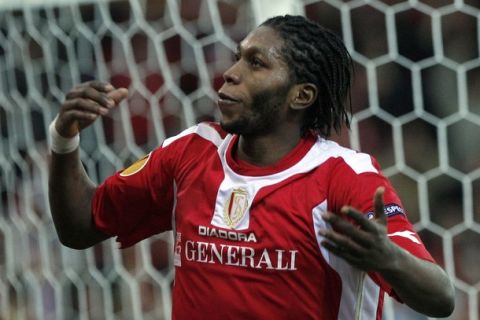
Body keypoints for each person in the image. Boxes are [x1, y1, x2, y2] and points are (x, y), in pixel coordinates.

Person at [48, 15, 454, 319]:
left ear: (301, 95)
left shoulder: (343, 176)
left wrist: (387, 257)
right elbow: (80, 226)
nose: (231, 73)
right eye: (237, 57)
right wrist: (64, 138)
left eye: (256, 64)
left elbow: (441, 297)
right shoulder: (191, 152)